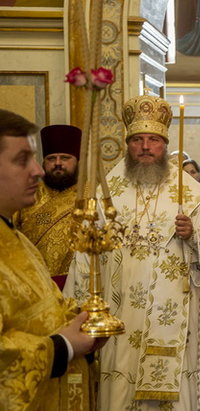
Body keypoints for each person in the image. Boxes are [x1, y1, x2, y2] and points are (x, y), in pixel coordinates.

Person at [64, 93, 200, 410]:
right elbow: (87, 250)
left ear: (164, 144)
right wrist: (81, 310)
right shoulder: (108, 190)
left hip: (174, 314)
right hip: (121, 313)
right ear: (127, 144)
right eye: (137, 139)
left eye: (153, 139)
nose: (145, 147)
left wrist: (194, 234)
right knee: (120, 384)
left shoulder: (189, 191)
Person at [0, 109, 103, 410]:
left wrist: (86, 326)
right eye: (22, 160)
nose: (40, 171)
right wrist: (64, 346)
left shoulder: (16, 239)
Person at [14, 124, 82, 291]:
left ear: (77, 161)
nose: (58, 163)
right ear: (43, 162)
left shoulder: (90, 197)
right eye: (51, 159)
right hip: (33, 287)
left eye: (65, 158)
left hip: (78, 286)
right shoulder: (25, 196)